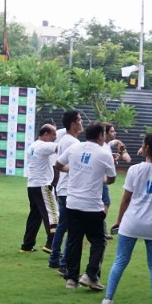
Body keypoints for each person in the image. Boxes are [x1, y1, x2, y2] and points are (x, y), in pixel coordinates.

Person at [98, 132, 152, 304]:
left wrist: (118, 220)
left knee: (120, 261)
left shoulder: (135, 170)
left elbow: (126, 199)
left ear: (147, 147)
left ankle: (107, 301)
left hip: (131, 222)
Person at [56, 122, 116, 290]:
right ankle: (90, 275)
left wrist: (73, 170)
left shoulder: (75, 148)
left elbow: (58, 165)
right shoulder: (104, 153)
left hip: (72, 203)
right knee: (98, 241)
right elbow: (111, 179)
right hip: (92, 206)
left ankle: (71, 279)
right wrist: (100, 179)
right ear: (100, 136)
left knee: (74, 241)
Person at [47, 110, 84, 269]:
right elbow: (68, 166)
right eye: (80, 120)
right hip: (70, 189)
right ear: (73, 124)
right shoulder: (74, 143)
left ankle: (55, 258)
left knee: (63, 226)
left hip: (63, 188)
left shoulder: (65, 140)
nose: (82, 123)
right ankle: (64, 263)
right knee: (72, 228)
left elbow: (60, 165)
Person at [21, 123, 60, 252]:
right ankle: (51, 244)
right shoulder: (44, 146)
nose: (55, 137)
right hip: (44, 185)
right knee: (53, 214)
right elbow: (61, 147)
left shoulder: (32, 146)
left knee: (35, 217)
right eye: (53, 134)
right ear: (45, 134)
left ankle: (27, 245)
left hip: (32, 185)